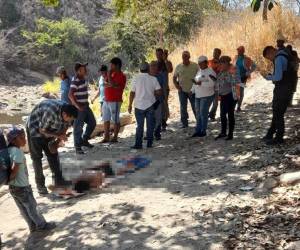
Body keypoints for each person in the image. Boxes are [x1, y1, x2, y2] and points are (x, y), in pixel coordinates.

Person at [7, 127, 56, 233]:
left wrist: (8, 180)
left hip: (12, 188)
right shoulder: (18, 152)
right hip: (22, 186)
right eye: (21, 138)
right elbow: (14, 170)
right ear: (13, 140)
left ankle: (32, 226)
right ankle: (42, 225)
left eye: (24, 136)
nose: (25, 139)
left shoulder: (8, 151)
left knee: (23, 209)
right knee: (32, 207)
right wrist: (11, 177)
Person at [27, 100, 78, 195]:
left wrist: (58, 141)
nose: (71, 121)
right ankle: (40, 186)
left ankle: (59, 182)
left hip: (50, 130)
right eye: (70, 119)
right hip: (35, 128)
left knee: (53, 155)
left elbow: (67, 125)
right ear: (64, 114)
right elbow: (42, 130)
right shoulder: (50, 112)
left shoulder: (68, 113)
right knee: (37, 158)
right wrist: (58, 136)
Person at [262, 45, 297, 145]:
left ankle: (279, 138)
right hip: (287, 89)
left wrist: (267, 77)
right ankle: (270, 133)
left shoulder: (279, 58)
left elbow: (278, 77)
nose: (270, 60)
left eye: (269, 58)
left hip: (282, 90)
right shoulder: (285, 54)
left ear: (271, 52)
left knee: (278, 113)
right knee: (277, 112)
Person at [128, 62, 162, 149]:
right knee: (150, 125)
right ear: (148, 69)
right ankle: (149, 144)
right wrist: (152, 92)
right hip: (150, 105)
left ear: (140, 69)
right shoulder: (153, 79)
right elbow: (159, 92)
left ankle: (138, 144)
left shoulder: (135, 78)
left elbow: (132, 92)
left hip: (139, 105)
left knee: (140, 125)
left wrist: (130, 105)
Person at [69, 62, 96, 154]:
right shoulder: (75, 80)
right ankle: (77, 146)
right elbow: (70, 95)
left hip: (85, 106)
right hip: (79, 108)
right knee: (78, 127)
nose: (86, 70)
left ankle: (84, 140)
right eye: (84, 69)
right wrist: (77, 106)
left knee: (92, 123)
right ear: (79, 71)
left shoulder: (83, 79)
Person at [102, 57, 126, 143]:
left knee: (115, 119)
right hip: (106, 99)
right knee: (106, 119)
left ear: (117, 65)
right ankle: (106, 137)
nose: (110, 66)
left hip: (115, 100)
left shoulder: (121, 75)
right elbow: (104, 84)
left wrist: (110, 81)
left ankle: (115, 137)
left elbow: (114, 85)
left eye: (112, 65)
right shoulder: (112, 74)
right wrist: (111, 84)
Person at [191, 56, 216, 137]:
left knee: (203, 112)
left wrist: (201, 84)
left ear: (206, 63)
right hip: (198, 95)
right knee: (198, 113)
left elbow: (213, 83)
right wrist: (192, 90)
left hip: (207, 95)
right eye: (199, 63)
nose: (200, 65)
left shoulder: (211, 72)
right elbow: (195, 82)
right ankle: (198, 130)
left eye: (201, 63)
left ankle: (203, 131)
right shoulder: (199, 72)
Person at [215, 56, 240, 141]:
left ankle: (230, 134)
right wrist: (218, 93)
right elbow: (218, 82)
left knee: (230, 114)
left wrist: (226, 76)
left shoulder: (233, 69)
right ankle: (223, 132)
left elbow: (236, 81)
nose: (220, 64)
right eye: (220, 63)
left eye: (222, 63)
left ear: (226, 62)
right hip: (223, 95)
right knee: (222, 114)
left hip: (232, 95)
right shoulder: (222, 70)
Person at [173, 51, 198, 128]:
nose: (184, 58)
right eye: (183, 56)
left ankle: (199, 121)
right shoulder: (178, 66)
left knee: (195, 106)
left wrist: (196, 86)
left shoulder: (195, 66)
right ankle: (184, 123)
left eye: (186, 56)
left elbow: (200, 75)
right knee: (183, 107)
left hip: (193, 90)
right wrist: (177, 86)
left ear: (189, 57)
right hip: (182, 90)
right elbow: (174, 78)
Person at [233, 46, 256, 112]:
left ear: (243, 51)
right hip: (235, 77)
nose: (238, 51)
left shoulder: (247, 59)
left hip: (243, 77)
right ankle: (235, 106)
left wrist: (249, 72)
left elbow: (254, 66)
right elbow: (232, 65)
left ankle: (238, 106)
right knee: (235, 92)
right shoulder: (235, 57)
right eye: (238, 50)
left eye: (240, 50)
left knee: (241, 91)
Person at [156, 48, 173, 131]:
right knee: (158, 105)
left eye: (160, 54)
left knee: (164, 104)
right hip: (156, 89)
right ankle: (159, 122)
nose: (158, 56)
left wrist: (165, 60)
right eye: (157, 54)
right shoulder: (155, 64)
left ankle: (164, 121)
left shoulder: (167, 62)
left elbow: (170, 70)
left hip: (165, 88)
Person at [150, 61, 165, 140]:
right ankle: (150, 133)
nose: (153, 67)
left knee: (158, 118)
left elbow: (162, 88)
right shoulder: (147, 76)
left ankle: (157, 133)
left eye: (155, 65)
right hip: (149, 101)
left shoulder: (160, 76)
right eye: (152, 66)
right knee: (150, 118)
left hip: (158, 100)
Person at [208, 48, 222, 120]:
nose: (214, 54)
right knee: (208, 100)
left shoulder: (222, 63)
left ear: (219, 54)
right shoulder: (209, 62)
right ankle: (209, 114)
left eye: (216, 52)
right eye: (213, 52)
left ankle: (212, 114)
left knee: (216, 102)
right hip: (208, 84)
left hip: (217, 84)